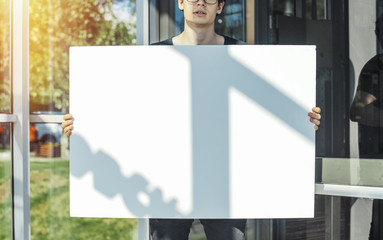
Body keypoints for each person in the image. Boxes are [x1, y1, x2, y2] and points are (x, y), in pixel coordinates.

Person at [62, 0, 322, 239]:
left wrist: (302, 120)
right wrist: (85, 123)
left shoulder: (246, 56)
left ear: (219, 7)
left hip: (228, 184)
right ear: (181, 3)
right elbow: (125, 114)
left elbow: (268, 114)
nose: (200, 2)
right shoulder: (152, 58)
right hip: (166, 181)